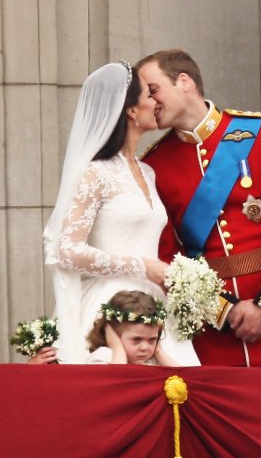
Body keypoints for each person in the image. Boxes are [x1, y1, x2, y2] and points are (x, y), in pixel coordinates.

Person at [137, 49, 261, 367]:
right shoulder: (155, 163)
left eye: (153, 91)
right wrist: (224, 310)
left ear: (184, 82)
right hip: (215, 335)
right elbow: (167, 255)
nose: (150, 103)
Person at [43, 61, 198, 365]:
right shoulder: (94, 174)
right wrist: (143, 267)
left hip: (156, 304)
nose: (157, 102)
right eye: (150, 95)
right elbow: (68, 250)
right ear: (131, 110)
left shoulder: (149, 171)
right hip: (110, 304)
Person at [85, 291, 179, 366]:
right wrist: (118, 349)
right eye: (136, 339)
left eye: (152, 339)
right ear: (114, 336)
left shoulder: (153, 361)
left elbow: (184, 380)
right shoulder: (102, 357)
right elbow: (112, 383)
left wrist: (159, 353)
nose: (145, 347)